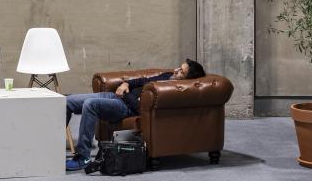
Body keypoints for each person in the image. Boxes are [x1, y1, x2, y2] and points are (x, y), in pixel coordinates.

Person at [64, 59, 206, 171]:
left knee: (90, 104)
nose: (176, 70)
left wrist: (126, 94)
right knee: (67, 101)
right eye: (179, 67)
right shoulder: (166, 76)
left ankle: (83, 157)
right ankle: (52, 149)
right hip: (115, 95)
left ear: (187, 80)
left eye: (181, 71)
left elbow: (139, 108)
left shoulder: (169, 91)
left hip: (123, 107)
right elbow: (141, 81)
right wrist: (126, 84)